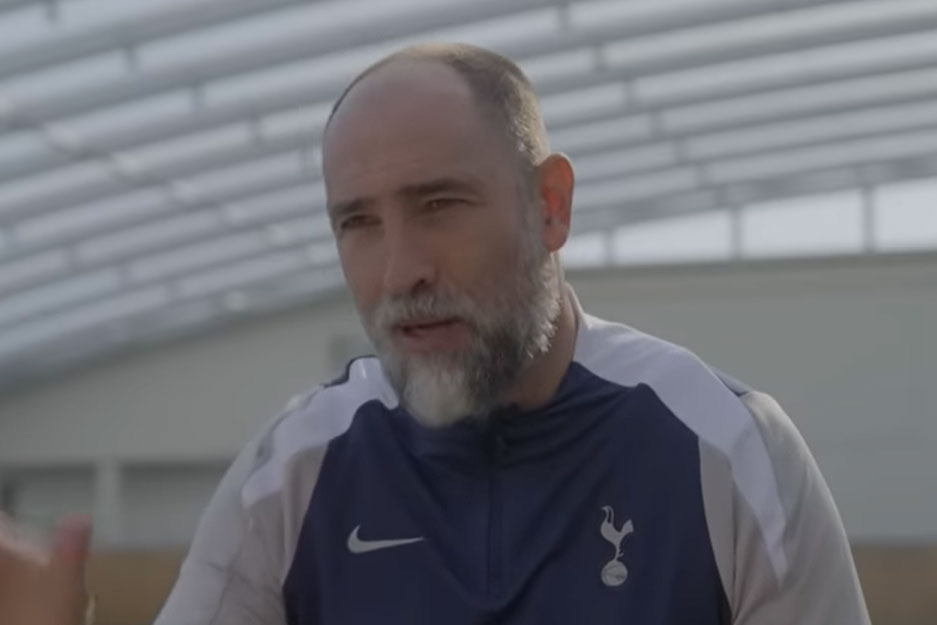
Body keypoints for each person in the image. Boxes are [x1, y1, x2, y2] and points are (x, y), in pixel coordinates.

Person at [0, 43, 869, 625]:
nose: (398, 272)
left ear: (550, 206)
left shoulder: (726, 451)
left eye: (439, 205)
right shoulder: (292, 472)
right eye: (357, 223)